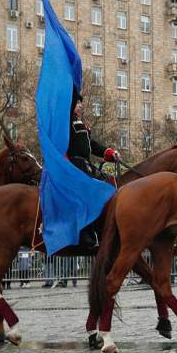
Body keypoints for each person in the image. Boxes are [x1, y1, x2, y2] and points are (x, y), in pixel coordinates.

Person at [68, 88, 120, 247]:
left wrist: (109, 152)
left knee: (109, 185)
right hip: (73, 165)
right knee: (89, 192)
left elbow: (92, 145)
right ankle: (85, 233)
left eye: (80, 103)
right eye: (77, 103)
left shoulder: (82, 124)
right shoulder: (65, 123)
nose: (80, 106)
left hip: (85, 164)